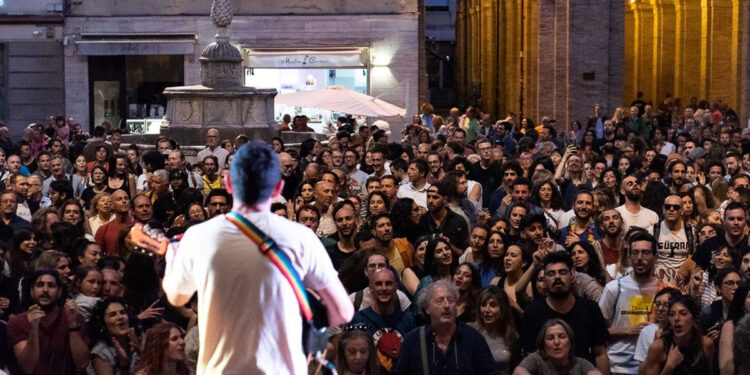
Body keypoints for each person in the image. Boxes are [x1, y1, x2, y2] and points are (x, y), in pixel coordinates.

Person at [161, 141, 354, 374]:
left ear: (229, 184)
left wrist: (172, 257)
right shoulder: (300, 237)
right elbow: (342, 311)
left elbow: (177, 295)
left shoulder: (199, 236)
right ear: (277, 188)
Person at [520, 251, 610, 375]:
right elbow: (528, 361)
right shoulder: (531, 313)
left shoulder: (590, 309)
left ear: (572, 276)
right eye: (551, 274)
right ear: (544, 280)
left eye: (562, 272)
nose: (557, 277)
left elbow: (600, 353)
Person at [394, 279, 496, 374]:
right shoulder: (412, 341)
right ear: (427, 308)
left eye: (451, 300)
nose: (447, 305)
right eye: (440, 300)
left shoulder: (473, 339)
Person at [599, 230, 661, 375]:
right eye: (635, 253)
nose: (639, 258)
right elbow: (597, 331)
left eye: (645, 253)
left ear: (655, 257)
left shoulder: (664, 290)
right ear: (629, 257)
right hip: (618, 366)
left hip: (652, 366)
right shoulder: (614, 288)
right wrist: (626, 331)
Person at [9, 269, 90, 374]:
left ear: (59, 292)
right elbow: (27, 368)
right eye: (40, 285)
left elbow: (82, 363)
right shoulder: (18, 322)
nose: (45, 290)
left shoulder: (73, 316)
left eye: (51, 285)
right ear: (32, 291)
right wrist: (34, 330)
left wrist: (72, 325)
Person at [349, 268, 416, 372]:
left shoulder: (408, 320)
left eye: (388, 283)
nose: (384, 288)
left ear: (395, 288)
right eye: (379, 284)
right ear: (371, 289)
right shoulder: (358, 320)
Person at [643, 294, 714, 375]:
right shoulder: (658, 348)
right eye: (672, 314)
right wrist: (669, 367)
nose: (676, 318)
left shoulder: (706, 344)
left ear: (694, 318)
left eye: (683, 313)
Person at [513, 319, 602, 375]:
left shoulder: (579, 364)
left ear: (570, 342)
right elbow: (518, 372)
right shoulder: (536, 360)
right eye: (550, 338)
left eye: (562, 336)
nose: (556, 342)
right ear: (543, 345)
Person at [471, 286, 519, 374]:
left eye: (493, 305)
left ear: (503, 309)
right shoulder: (470, 332)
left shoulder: (511, 336)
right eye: (483, 305)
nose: (486, 310)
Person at [633, 288, 683, 366]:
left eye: (666, 305)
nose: (660, 309)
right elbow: (642, 371)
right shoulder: (647, 331)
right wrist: (655, 344)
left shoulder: (681, 330)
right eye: (658, 304)